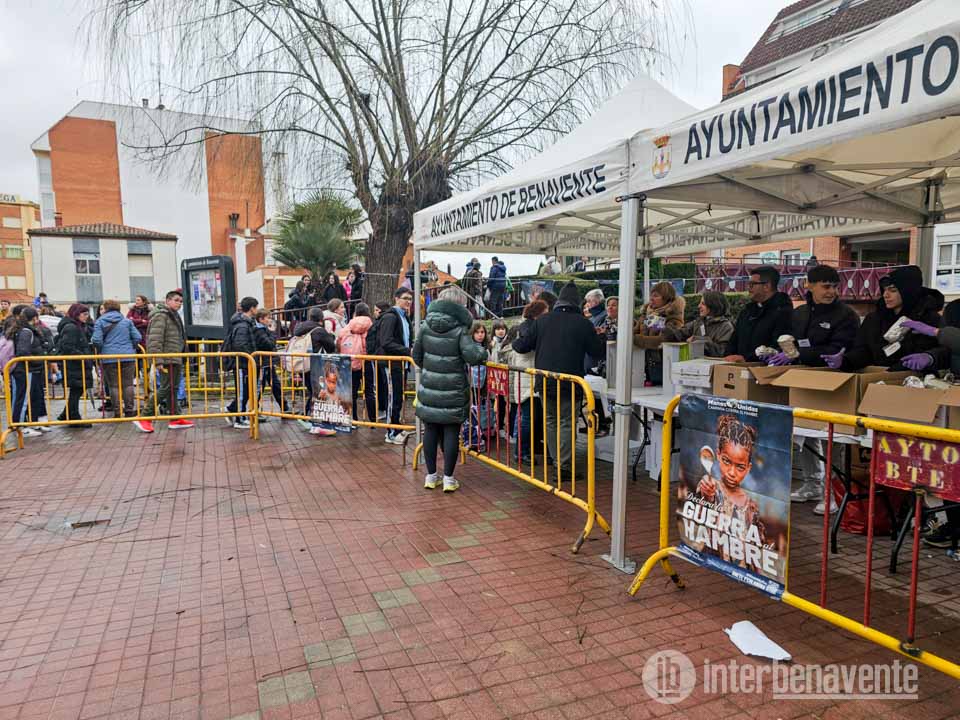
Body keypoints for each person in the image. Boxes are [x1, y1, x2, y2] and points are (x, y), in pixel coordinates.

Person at [769, 265, 860, 515]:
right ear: (809, 285)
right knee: (807, 433)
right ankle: (813, 484)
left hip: (834, 383)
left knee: (834, 439)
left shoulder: (846, 315)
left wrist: (800, 354)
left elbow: (839, 348)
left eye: (834, 287)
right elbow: (793, 342)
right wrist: (785, 352)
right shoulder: (799, 314)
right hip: (804, 381)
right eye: (825, 286)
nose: (830, 292)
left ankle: (835, 490)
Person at [512, 282, 604, 474]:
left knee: (551, 421)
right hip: (571, 382)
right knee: (566, 422)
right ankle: (564, 467)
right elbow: (597, 351)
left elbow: (522, 345)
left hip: (544, 380)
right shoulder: (583, 323)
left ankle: (557, 462)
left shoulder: (542, 321)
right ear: (577, 303)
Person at [412, 287, 489, 492]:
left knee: (430, 429)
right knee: (451, 431)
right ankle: (448, 478)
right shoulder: (460, 329)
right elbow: (473, 355)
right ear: (459, 305)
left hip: (429, 386)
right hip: (453, 388)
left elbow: (416, 355)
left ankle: (430, 476)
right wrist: (483, 352)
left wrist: (429, 369)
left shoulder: (425, 326)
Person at [823, 265, 941, 372]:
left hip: (912, 382)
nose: (886, 295)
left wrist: (891, 372)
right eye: (884, 290)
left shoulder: (928, 319)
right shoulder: (874, 318)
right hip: (876, 379)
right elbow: (864, 351)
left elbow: (929, 354)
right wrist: (845, 361)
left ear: (908, 292)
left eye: (893, 290)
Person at [692, 414, 769, 571]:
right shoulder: (710, 486)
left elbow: (757, 548)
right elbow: (698, 517)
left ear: (748, 468)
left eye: (740, 467)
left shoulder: (751, 505)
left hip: (743, 571)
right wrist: (709, 497)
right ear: (718, 456)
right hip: (715, 565)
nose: (732, 472)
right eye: (727, 461)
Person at [500, 300, 549, 462]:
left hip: (529, 379)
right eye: (545, 311)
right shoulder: (528, 328)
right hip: (529, 379)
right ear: (537, 314)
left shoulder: (525, 327)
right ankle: (521, 453)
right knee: (528, 418)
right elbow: (524, 347)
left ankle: (527, 450)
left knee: (531, 418)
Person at [143, 290, 193, 431]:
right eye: (176, 300)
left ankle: (175, 417)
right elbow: (155, 340)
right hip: (167, 358)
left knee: (173, 388)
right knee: (166, 388)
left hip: (175, 357)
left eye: (181, 301)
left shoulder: (173, 316)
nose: (179, 304)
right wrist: (158, 361)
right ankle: (145, 416)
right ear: (168, 300)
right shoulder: (161, 316)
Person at [724, 266, 794, 362]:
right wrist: (728, 357)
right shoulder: (746, 312)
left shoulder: (783, 313)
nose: (748, 288)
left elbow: (777, 348)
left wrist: (746, 358)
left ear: (767, 286)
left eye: (752, 284)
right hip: (736, 369)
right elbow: (733, 341)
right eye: (748, 284)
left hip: (764, 371)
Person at [92, 298, 142, 424]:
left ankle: (117, 412)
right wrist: (130, 346)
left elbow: (96, 340)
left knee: (113, 385)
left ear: (106, 309)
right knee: (128, 384)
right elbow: (138, 337)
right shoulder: (126, 321)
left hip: (109, 358)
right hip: (128, 357)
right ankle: (129, 411)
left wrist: (103, 348)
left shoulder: (99, 322)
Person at [291, 306, 337, 433]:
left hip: (303, 365)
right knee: (319, 393)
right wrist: (330, 335)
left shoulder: (299, 329)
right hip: (316, 366)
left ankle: (308, 417)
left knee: (312, 392)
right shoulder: (319, 330)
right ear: (321, 319)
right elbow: (331, 346)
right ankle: (318, 424)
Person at [377, 287, 414, 445]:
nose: (408, 301)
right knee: (393, 397)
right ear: (396, 298)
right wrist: (407, 351)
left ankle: (396, 426)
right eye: (405, 298)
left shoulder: (404, 317)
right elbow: (386, 341)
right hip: (392, 363)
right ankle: (391, 432)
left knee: (398, 397)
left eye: (410, 299)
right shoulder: (391, 317)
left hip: (401, 363)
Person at [9, 307, 52, 437]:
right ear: (34, 318)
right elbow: (23, 352)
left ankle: (33, 423)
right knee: (22, 399)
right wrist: (36, 359)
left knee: (32, 397)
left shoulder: (26, 330)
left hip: (31, 369)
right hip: (24, 369)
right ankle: (19, 427)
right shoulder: (26, 331)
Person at [632, 281, 686, 385]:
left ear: (667, 298)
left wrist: (635, 339)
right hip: (642, 369)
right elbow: (635, 330)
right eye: (651, 295)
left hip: (662, 370)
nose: (651, 299)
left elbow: (662, 340)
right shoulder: (646, 314)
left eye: (656, 296)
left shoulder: (673, 318)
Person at [55, 304, 94, 429]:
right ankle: (74, 417)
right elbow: (68, 347)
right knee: (76, 391)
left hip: (78, 363)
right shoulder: (71, 327)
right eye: (84, 314)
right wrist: (82, 356)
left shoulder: (78, 326)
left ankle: (67, 414)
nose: (86, 317)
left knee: (77, 390)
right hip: (75, 364)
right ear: (77, 314)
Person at [663, 290, 734, 357]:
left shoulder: (726, 327)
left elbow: (723, 351)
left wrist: (699, 341)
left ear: (713, 305)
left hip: (714, 368)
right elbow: (679, 334)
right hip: (695, 366)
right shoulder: (698, 322)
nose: (699, 306)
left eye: (703, 304)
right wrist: (663, 328)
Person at [337, 302, 376, 422]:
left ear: (356, 312)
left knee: (352, 392)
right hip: (366, 361)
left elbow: (338, 343)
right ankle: (373, 420)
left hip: (349, 362)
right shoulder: (371, 326)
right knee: (369, 391)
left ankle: (353, 419)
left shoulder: (347, 327)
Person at [224, 297, 259, 428]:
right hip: (242, 363)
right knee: (243, 391)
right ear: (251, 308)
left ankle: (234, 410)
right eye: (256, 307)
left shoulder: (244, 323)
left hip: (244, 363)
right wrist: (251, 356)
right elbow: (240, 344)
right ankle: (239, 418)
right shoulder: (242, 325)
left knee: (245, 391)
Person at [253, 308, 288, 414]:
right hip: (263, 363)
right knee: (260, 387)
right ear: (261, 319)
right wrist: (273, 332)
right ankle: (254, 409)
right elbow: (269, 344)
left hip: (268, 362)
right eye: (268, 318)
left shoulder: (263, 329)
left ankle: (285, 408)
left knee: (276, 385)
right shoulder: (258, 331)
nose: (270, 320)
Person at [367, 301, 393, 420]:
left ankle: (385, 409)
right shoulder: (378, 322)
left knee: (382, 385)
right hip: (377, 357)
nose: (375, 312)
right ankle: (383, 408)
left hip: (379, 357)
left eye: (377, 310)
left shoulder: (382, 321)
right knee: (380, 385)